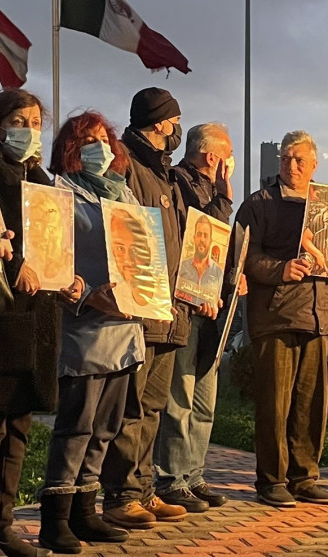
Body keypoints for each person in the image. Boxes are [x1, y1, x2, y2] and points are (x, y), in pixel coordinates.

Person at [0, 89, 86, 557]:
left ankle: (5, 525)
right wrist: (14, 261)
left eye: (34, 120)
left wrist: (68, 277)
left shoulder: (44, 182)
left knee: (20, 424)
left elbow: (57, 244)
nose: (27, 128)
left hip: (39, 317)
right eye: (17, 119)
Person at [38, 110, 141, 552]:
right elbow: (49, 259)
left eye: (105, 140)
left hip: (125, 325)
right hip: (83, 325)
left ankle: (87, 510)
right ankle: (55, 517)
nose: (100, 148)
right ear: (71, 149)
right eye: (88, 141)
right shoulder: (59, 192)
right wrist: (83, 296)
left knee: (106, 426)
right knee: (76, 424)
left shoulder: (126, 195)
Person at [236, 130, 328, 507]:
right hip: (277, 315)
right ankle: (271, 480)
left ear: (314, 164)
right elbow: (244, 257)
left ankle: (305, 477)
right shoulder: (259, 203)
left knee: (311, 403)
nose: (292, 165)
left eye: (300, 159)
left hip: (319, 315)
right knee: (275, 403)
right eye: (286, 158)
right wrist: (279, 270)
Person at [99, 87, 193, 529]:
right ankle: (120, 495)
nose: (176, 130)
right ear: (160, 123)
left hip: (169, 310)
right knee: (131, 406)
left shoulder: (165, 173)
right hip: (141, 307)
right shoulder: (129, 167)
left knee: (153, 405)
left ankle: (144, 489)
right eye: (174, 122)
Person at [153, 123, 236, 513]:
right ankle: (171, 477)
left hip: (214, 306)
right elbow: (195, 238)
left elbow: (222, 244)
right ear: (214, 157)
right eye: (228, 154)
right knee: (179, 396)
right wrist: (223, 196)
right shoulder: (179, 183)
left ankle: (194, 474)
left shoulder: (212, 190)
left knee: (204, 399)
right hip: (187, 304)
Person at [177, 214, 224, 304]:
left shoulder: (218, 272)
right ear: (194, 238)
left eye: (205, 235)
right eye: (199, 234)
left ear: (210, 241)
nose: (202, 239)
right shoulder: (181, 266)